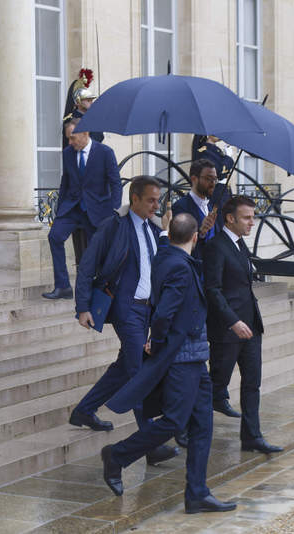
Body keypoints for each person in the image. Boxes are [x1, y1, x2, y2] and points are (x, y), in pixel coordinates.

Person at [100, 213, 236, 514]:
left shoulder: (167, 255)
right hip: (180, 356)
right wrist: (157, 342)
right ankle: (117, 455)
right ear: (195, 237)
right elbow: (164, 313)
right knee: (175, 421)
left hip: (194, 357)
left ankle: (197, 493)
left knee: (203, 425)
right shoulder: (179, 267)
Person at [70, 177, 178, 465]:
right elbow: (88, 265)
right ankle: (150, 444)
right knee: (138, 372)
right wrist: (83, 306)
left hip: (148, 310)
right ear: (135, 199)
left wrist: (167, 230)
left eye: (159, 199)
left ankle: (84, 410)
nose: (157, 205)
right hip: (126, 308)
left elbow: (166, 264)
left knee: (124, 367)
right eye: (151, 200)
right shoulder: (114, 226)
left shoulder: (155, 229)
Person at [203, 196, 282, 454]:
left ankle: (252, 437)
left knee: (252, 383)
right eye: (247, 218)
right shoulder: (216, 246)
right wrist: (232, 321)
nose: (252, 223)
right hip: (227, 330)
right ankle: (182, 427)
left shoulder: (239, 244)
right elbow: (212, 290)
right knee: (216, 385)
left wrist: (247, 322)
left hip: (251, 326)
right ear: (230, 218)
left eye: (253, 217)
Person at [42, 118, 122, 299]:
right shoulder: (68, 153)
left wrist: (114, 210)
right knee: (55, 237)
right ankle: (63, 286)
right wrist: (60, 209)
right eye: (68, 139)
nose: (70, 142)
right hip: (72, 208)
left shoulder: (105, 152)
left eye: (72, 138)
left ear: (85, 133)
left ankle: (101, 289)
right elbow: (66, 181)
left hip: (97, 209)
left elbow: (115, 183)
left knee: (98, 250)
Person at [171, 158, 221, 259]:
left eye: (215, 179)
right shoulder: (180, 207)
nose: (213, 183)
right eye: (208, 178)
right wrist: (201, 232)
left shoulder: (210, 206)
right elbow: (179, 246)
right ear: (194, 179)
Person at [62, 68, 104, 143]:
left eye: (91, 100)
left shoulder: (93, 118)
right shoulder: (71, 119)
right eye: (88, 100)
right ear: (77, 102)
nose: (91, 102)